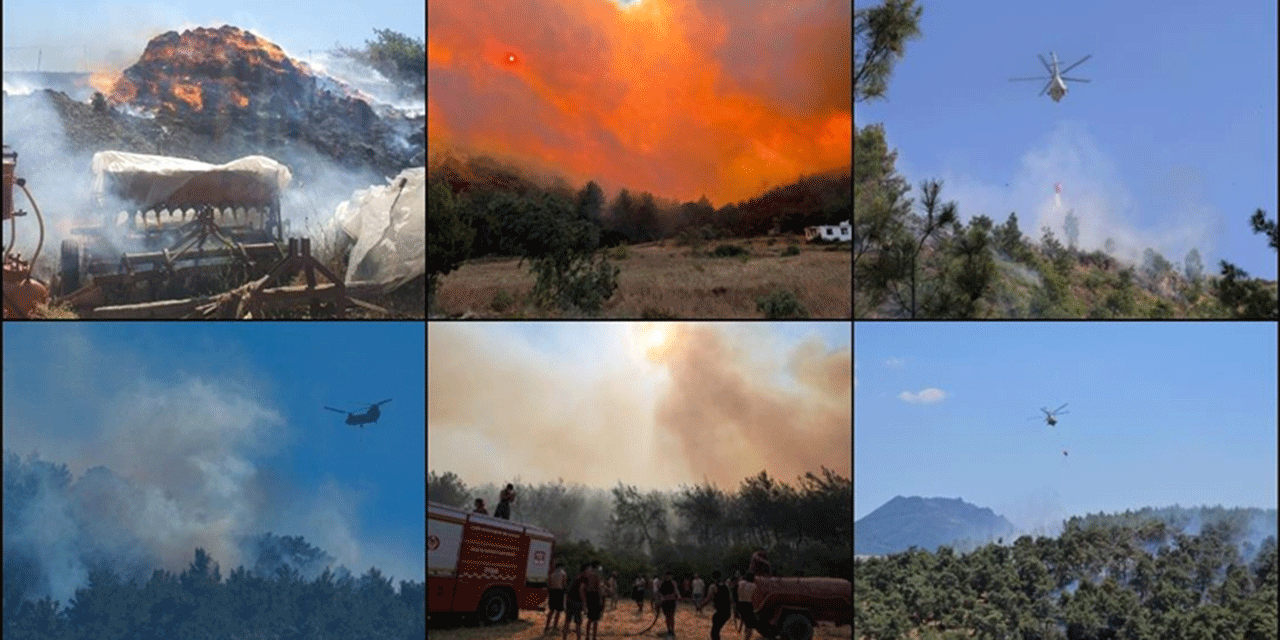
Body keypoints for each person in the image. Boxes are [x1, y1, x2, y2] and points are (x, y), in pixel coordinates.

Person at [699, 570, 731, 640]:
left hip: (720, 612)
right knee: (716, 631)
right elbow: (730, 598)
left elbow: (708, 599)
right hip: (727, 612)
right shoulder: (726, 585)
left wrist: (700, 606)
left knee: (714, 632)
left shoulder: (713, 586)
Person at [563, 563, 588, 640]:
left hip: (570, 600)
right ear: (586, 569)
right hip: (576, 602)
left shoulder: (577, 576)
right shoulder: (583, 578)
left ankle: (564, 638)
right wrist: (584, 604)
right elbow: (581, 590)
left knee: (567, 621)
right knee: (578, 623)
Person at [545, 562, 567, 634]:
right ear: (561, 567)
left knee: (551, 610)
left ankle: (547, 626)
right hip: (559, 592)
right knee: (558, 610)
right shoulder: (563, 573)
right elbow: (564, 583)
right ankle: (555, 626)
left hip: (552, 592)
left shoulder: (552, 574)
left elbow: (549, 583)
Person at [584, 561, 603, 640]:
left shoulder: (587, 574)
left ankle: (587, 636)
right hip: (595, 595)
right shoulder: (596, 575)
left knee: (589, 618)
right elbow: (598, 587)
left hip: (588, 595)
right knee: (595, 619)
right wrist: (601, 598)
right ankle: (594, 637)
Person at [736, 573, 758, 640]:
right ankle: (746, 638)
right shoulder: (753, 585)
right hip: (748, 604)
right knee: (750, 626)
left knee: (745, 620)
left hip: (739, 604)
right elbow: (754, 597)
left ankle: (741, 630)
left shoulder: (740, 582)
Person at [658, 570, 680, 637]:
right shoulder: (662, 583)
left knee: (671, 616)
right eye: (667, 575)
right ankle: (669, 630)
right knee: (667, 617)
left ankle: (672, 630)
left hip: (671, 601)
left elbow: (676, 591)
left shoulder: (673, 583)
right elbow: (660, 593)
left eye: (669, 575)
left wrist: (678, 596)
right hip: (665, 602)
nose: (668, 576)